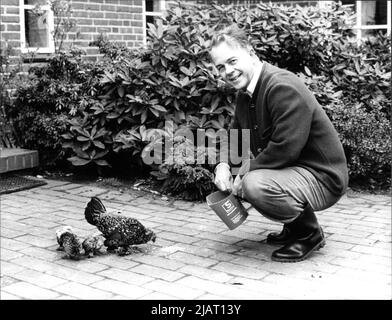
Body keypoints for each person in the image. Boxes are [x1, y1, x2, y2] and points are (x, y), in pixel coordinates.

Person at [209, 25, 349, 263]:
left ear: (251, 52)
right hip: (295, 171)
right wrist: (222, 165)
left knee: (254, 184)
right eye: (221, 67)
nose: (228, 71)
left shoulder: (281, 86)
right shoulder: (246, 94)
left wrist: (243, 173)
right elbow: (236, 139)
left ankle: (308, 234)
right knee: (249, 179)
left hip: (323, 178)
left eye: (232, 61)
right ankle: (293, 228)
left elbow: (285, 149)